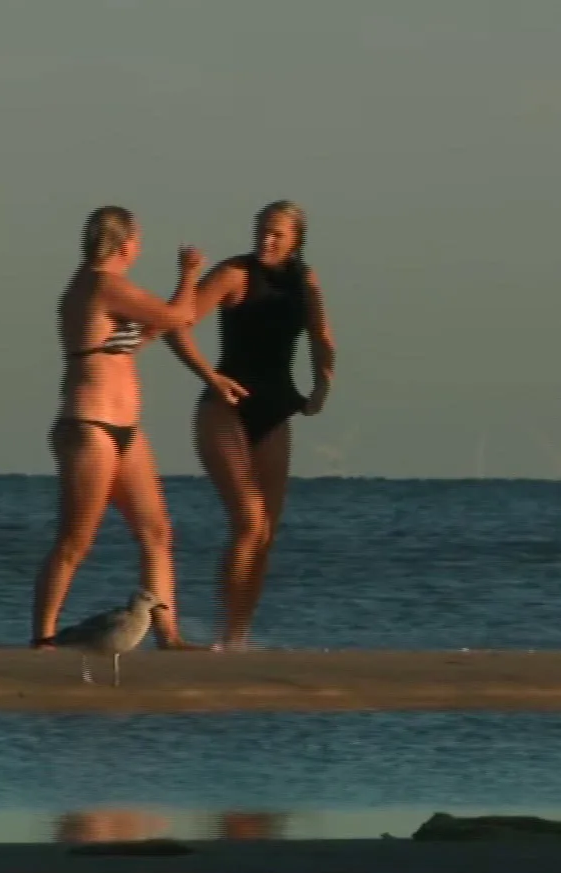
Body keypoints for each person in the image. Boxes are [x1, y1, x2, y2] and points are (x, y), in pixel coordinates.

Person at [32, 205, 220, 650]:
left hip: (125, 428)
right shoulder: (99, 284)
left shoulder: (104, 290)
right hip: (90, 426)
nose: (140, 246)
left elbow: (133, 341)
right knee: (76, 540)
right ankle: (43, 637)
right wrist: (191, 274)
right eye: (137, 238)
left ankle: (167, 632)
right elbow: (178, 318)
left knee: (156, 531)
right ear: (123, 244)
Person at [166, 201, 337, 650]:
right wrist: (210, 376)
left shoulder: (306, 280)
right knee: (248, 520)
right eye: (261, 230)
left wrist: (321, 386)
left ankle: (237, 636)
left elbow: (322, 338)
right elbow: (176, 325)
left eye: (277, 233)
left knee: (266, 533)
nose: (266, 239)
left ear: (296, 239)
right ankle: (225, 634)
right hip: (227, 405)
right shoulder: (234, 274)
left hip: (277, 407)